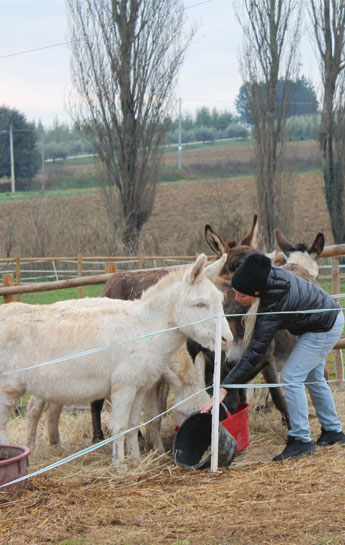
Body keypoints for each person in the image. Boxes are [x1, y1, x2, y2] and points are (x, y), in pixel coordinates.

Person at [200, 252, 345, 461]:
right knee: (314, 379)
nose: (238, 299)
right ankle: (333, 431)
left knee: (291, 376)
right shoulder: (265, 278)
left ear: (256, 292)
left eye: (242, 295)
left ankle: (301, 440)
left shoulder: (272, 304)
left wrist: (224, 387)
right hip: (324, 320)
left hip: (324, 327)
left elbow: (254, 352)